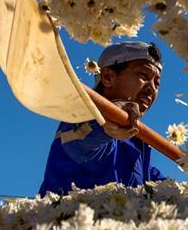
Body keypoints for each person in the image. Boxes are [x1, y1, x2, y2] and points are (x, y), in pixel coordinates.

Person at [38, 41, 170, 196]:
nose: (151, 88)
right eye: (143, 75)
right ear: (107, 77)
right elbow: (80, 145)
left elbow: (169, 191)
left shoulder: (136, 141)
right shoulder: (80, 116)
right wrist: (110, 116)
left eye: (157, 83)